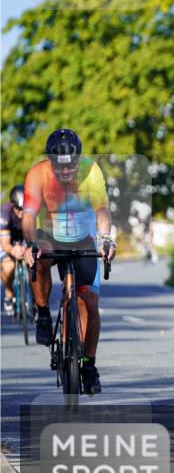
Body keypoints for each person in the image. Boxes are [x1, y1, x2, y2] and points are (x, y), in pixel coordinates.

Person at [21, 129, 116, 395]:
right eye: (59, 166)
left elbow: (102, 210)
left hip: (83, 238)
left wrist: (106, 238)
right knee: (39, 257)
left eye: (71, 164)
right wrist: (31, 243)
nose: (66, 171)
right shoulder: (37, 174)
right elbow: (28, 216)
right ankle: (42, 314)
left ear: (79, 159)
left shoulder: (91, 171)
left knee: (91, 303)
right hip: (50, 235)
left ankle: (89, 364)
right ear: (50, 161)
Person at [0, 185, 27, 315]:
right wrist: (13, 250)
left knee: (35, 264)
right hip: (8, 239)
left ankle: (34, 299)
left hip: (25, 237)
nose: (22, 213)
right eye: (19, 209)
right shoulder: (5, 212)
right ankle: (9, 292)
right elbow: (4, 243)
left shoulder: (33, 210)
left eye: (25, 209)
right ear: (12, 206)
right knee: (8, 267)